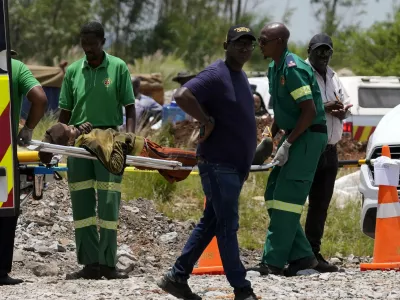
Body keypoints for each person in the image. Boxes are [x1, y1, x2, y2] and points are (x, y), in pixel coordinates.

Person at [157, 25, 258, 300]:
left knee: (212, 222)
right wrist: (205, 119)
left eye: (249, 44)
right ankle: (242, 288)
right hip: (218, 163)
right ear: (226, 46)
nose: (245, 48)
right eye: (239, 43)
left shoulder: (240, 75)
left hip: (234, 167)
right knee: (227, 225)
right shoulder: (216, 74)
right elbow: (181, 95)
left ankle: (177, 277)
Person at [58, 21, 136, 280]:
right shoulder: (72, 71)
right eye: (84, 43)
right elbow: (65, 112)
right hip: (79, 139)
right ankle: (89, 263)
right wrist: (61, 137)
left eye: (92, 43)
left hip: (110, 138)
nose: (88, 48)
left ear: (103, 42)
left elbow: (129, 107)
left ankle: (108, 264)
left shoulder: (118, 67)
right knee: (81, 202)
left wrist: (129, 137)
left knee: (109, 202)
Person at [249, 22, 328, 276]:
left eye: (263, 41)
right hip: (295, 134)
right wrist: (268, 139)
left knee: (286, 198)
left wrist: (289, 143)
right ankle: (303, 257)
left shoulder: (293, 68)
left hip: (306, 137)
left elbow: (309, 111)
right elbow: (283, 112)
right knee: (273, 194)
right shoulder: (275, 67)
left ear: (279, 42)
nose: (259, 45)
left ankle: (272, 262)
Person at [304, 33, 352, 273]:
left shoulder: (333, 76)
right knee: (293, 204)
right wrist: (324, 108)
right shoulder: (301, 73)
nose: (323, 55)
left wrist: (343, 111)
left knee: (320, 205)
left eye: (327, 51)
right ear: (309, 50)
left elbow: (347, 103)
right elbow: (298, 109)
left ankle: (313, 254)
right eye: (319, 50)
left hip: (330, 150)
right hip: (309, 149)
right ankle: (295, 254)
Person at [0, 51, 48, 285]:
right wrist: (28, 128)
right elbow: (39, 98)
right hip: (3, 149)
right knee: (4, 207)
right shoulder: (15, 67)